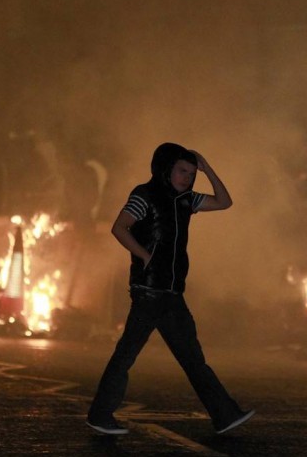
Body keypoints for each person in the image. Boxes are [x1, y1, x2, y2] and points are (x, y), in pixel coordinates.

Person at [86, 142, 254, 436]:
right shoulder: (144, 195)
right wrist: (145, 256)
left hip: (172, 292)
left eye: (191, 173)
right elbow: (119, 227)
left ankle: (225, 414)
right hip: (149, 291)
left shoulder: (187, 200)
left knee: (192, 358)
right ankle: (100, 415)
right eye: (181, 171)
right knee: (127, 355)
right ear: (166, 169)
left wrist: (207, 167)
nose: (187, 178)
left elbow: (225, 202)